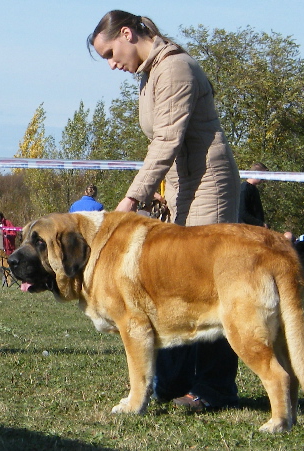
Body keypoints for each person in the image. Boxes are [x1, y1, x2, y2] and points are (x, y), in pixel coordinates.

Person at [89, 10, 241, 411]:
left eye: (110, 52)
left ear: (127, 33)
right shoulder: (149, 75)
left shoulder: (175, 68)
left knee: (212, 286)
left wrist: (131, 199)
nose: (111, 63)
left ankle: (214, 388)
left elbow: (167, 141)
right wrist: (164, 194)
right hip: (182, 187)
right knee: (176, 282)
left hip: (209, 185)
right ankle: (172, 381)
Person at [239, 162, 269, 227]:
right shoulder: (244, 189)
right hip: (246, 230)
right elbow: (243, 214)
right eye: (263, 176)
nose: (263, 179)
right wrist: (260, 224)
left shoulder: (254, 189)